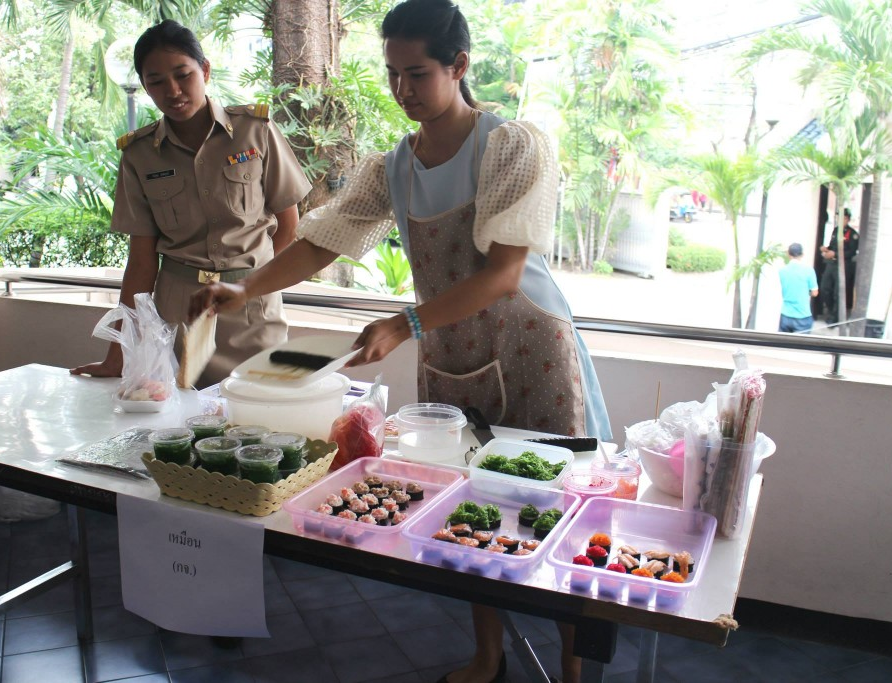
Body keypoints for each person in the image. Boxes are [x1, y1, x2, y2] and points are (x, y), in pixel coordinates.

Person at [189, 2, 611, 680]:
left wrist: (404, 324)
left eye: (417, 74)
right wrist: (245, 288)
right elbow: (322, 242)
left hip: (530, 348)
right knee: (466, 502)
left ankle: (574, 669)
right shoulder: (395, 166)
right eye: (392, 73)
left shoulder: (509, 146)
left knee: (554, 506)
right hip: (453, 353)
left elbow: (504, 273)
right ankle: (488, 655)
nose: (402, 90)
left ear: (459, 66)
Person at [71, 20, 311, 385]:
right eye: (156, 82)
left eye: (183, 75)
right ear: (145, 87)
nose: (173, 90)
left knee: (261, 404)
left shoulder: (255, 131)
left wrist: (251, 284)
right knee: (181, 410)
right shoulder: (139, 155)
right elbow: (141, 263)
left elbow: (289, 228)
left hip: (252, 310)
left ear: (205, 71)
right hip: (177, 314)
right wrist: (118, 355)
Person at [818, 207, 859, 324]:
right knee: (825, 288)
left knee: (838, 292)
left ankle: (835, 317)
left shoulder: (853, 234)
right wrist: (826, 249)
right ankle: (831, 311)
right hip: (831, 264)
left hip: (844, 266)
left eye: (842, 218)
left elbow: (852, 252)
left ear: (847, 219)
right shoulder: (836, 231)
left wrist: (835, 254)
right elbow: (832, 246)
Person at [778, 243, 818, 333]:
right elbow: (814, 293)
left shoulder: (782, 271)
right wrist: (807, 292)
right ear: (802, 254)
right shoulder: (809, 270)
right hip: (802, 315)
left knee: (783, 342)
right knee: (800, 342)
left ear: (788, 254)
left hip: (785, 314)